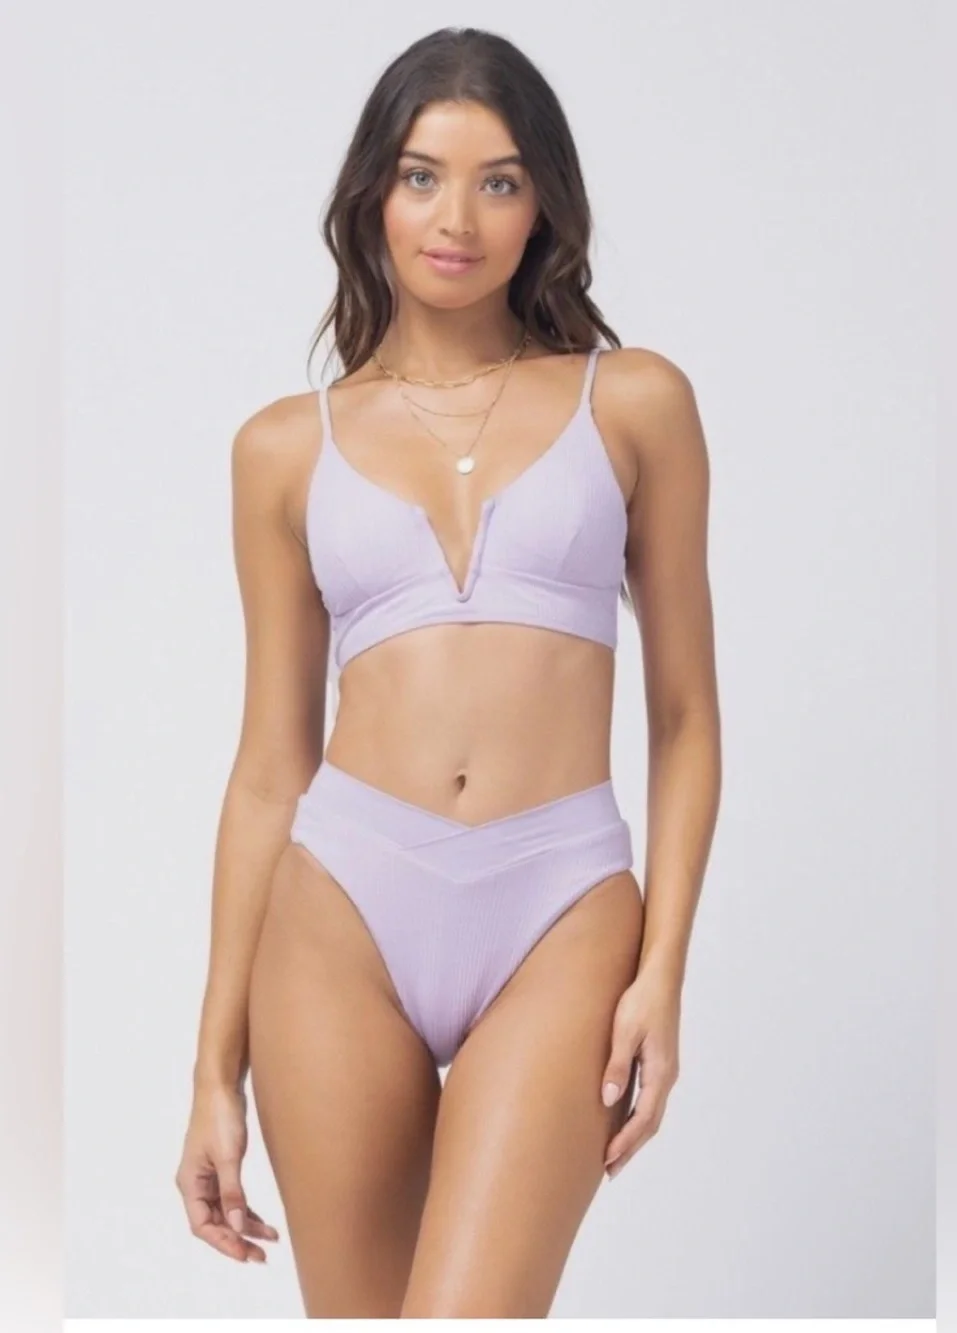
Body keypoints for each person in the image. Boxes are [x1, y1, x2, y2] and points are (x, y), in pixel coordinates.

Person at [174, 25, 721, 1320]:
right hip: (337, 915)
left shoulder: (634, 402)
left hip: (560, 906)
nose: (457, 219)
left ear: (545, 205)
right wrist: (210, 1071)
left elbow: (685, 718)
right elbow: (269, 769)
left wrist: (664, 973)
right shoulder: (282, 449)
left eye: (499, 180)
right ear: (375, 192)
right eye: (423, 176)